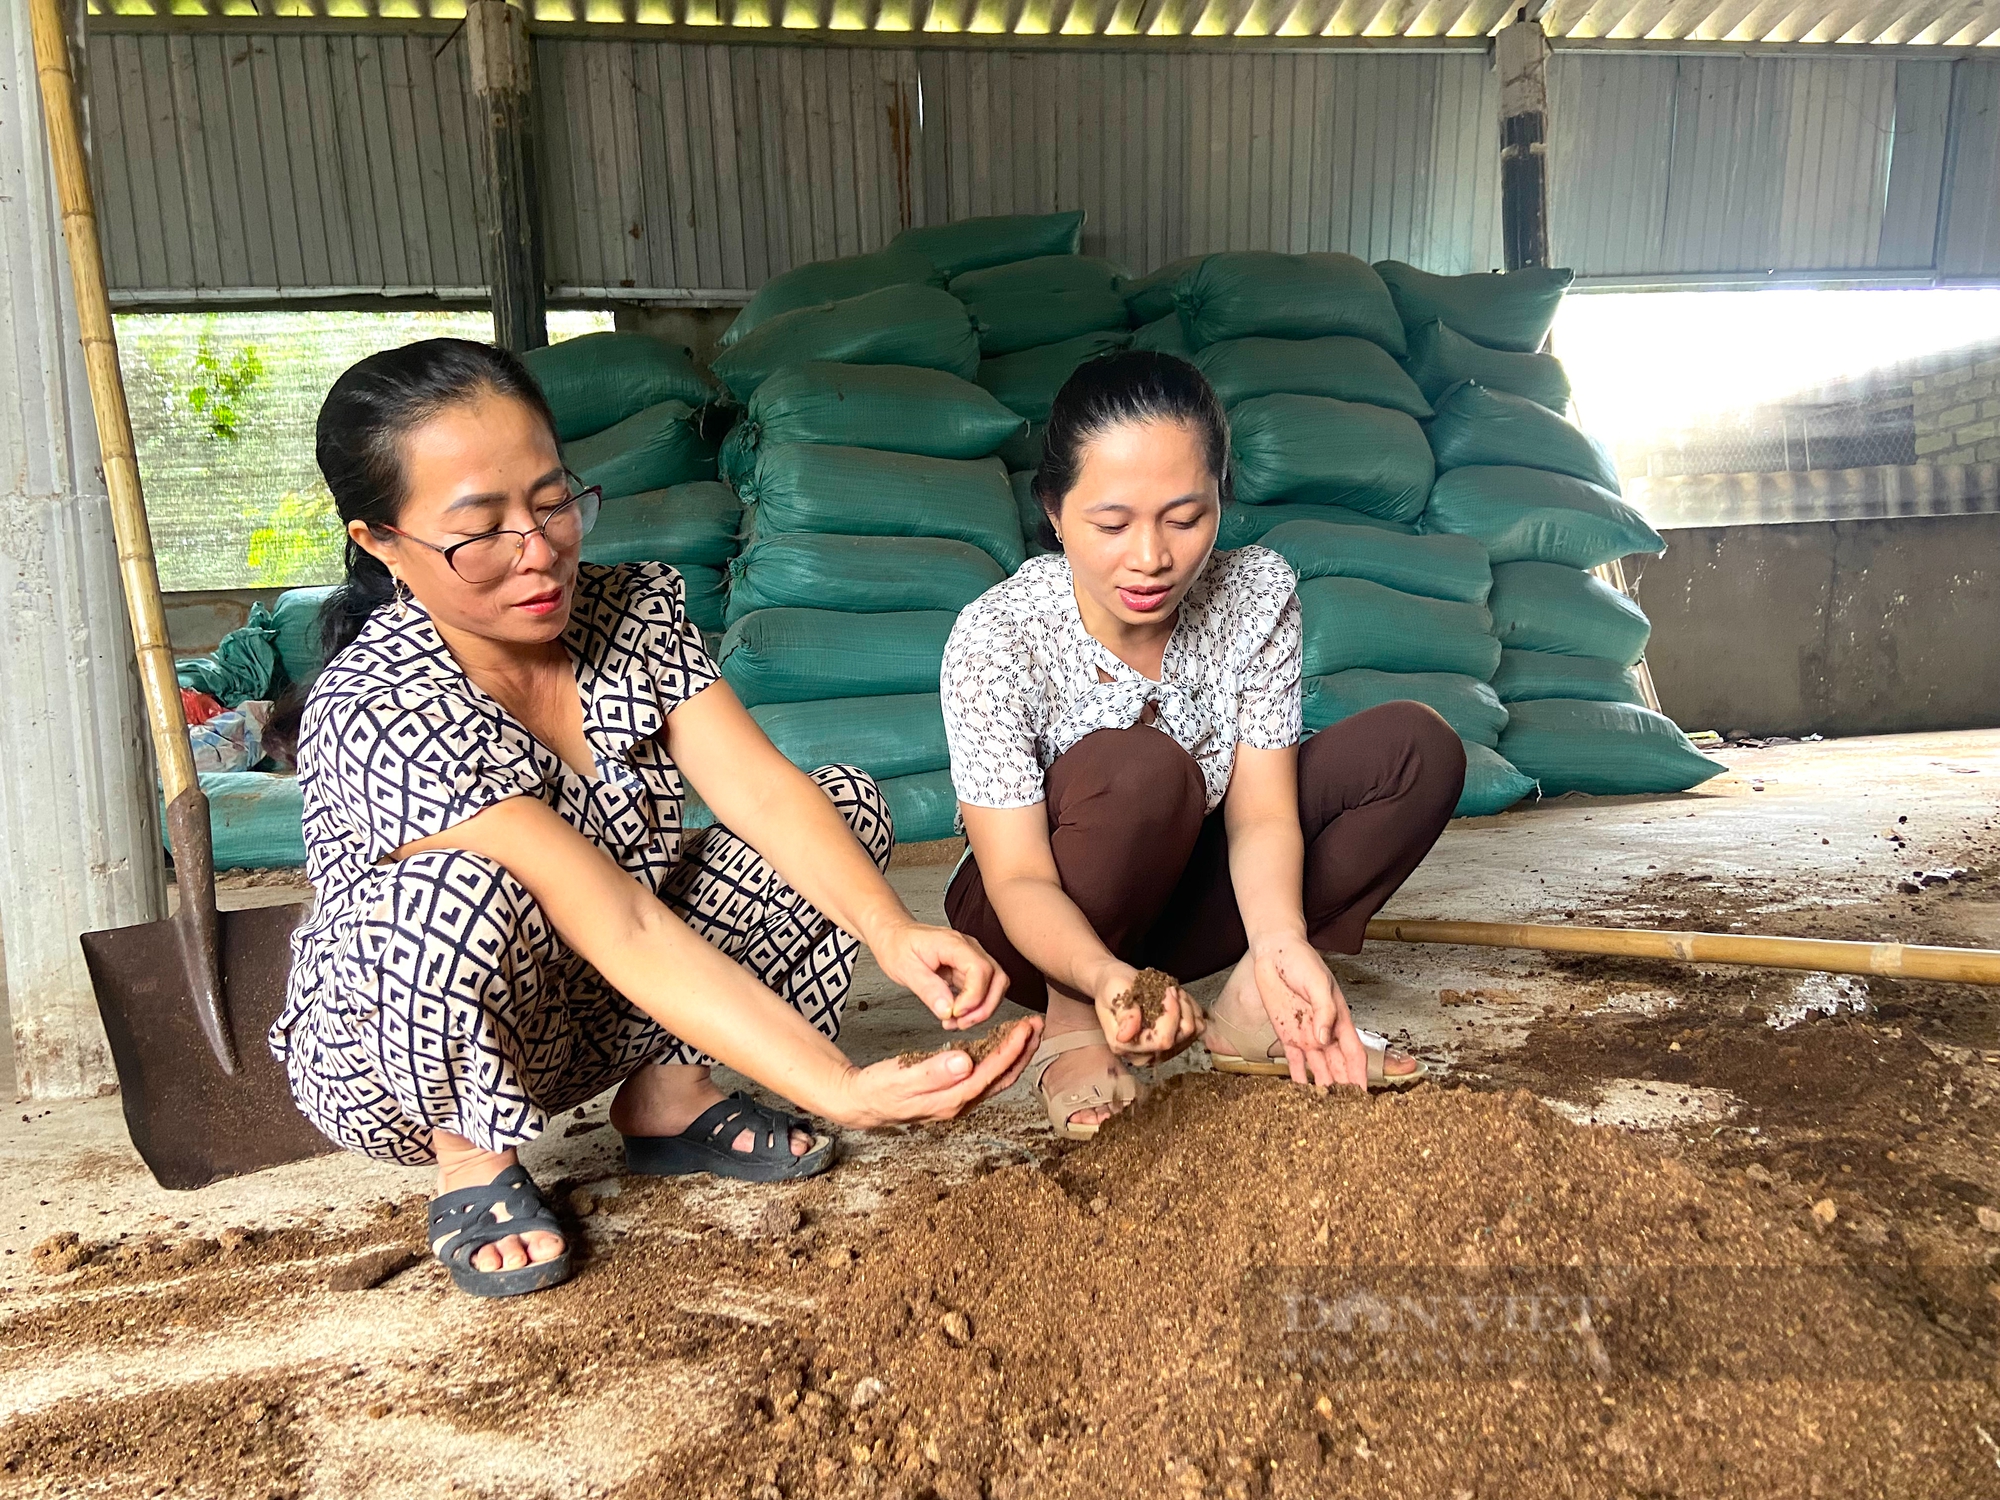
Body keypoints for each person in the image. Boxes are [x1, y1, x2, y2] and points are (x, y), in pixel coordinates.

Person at [270, 339, 1037, 1299]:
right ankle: (469, 1161)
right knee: (452, 894)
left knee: (839, 801)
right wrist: (833, 1084)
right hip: (412, 1049)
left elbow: (759, 790)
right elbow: (622, 923)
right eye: (480, 530)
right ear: (381, 541)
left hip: (590, 1002)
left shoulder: (624, 610)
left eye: (552, 501)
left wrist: (894, 929)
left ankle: (669, 1098)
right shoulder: (382, 704)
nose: (538, 551)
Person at [939, 350, 1464, 1140]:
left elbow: (1260, 815)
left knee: (1414, 751)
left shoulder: (1256, 596)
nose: (1151, 558)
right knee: (1141, 767)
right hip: (1028, 926)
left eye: (1185, 518)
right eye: (1111, 524)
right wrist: (1103, 979)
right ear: (1052, 509)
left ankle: (1257, 1003)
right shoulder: (997, 639)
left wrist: (1282, 942)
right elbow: (1015, 876)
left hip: (1182, 896)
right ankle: (1073, 1026)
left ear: (1222, 496)